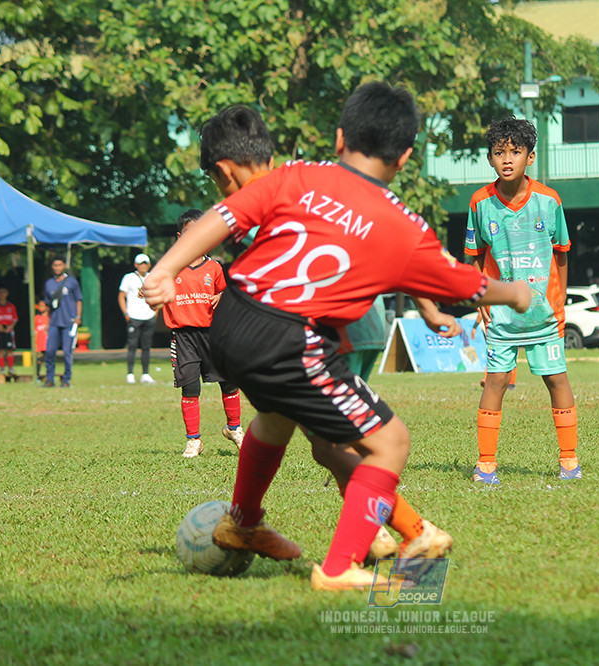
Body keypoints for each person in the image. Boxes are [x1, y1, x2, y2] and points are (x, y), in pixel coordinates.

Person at [142, 83, 531, 591]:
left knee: (276, 419)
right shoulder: (403, 225)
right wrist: (515, 292)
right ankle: (339, 565)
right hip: (291, 338)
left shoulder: (300, 175)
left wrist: (167, 269)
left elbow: (224, 215)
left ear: (340, 135)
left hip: (231, 320)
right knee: (390, 442)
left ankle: (243, 523)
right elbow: (465, 284)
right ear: (406, 155)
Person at [194, 103, 461, 567]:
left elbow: (376, 245)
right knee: (316, 436)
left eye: (217, 182)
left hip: (321, 340)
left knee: (339, 442)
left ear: (224, 171)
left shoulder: (273, 202)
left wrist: (429, 305)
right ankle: (388, 531)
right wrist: (428, 307)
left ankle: (401, 533)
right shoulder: (300, 187)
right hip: (297, 341)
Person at [464, 116, 579, 485]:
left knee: (556, 380)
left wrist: (559, 302)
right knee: (496, 382)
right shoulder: (480, 203)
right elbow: (474, 256)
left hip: (545, 316)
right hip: (501, 319)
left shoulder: (549, 201)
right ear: (490, 159)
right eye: (500, 153)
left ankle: (569, 461)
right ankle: (485, 466)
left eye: (516, 151)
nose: (507, 159)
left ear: (530, 156)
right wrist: (480, 298)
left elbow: (561, 254)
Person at [159, 210, 245, 458]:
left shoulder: (215, 267)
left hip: (214, 334)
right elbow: (154, 286)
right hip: (184, 337)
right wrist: (150, 292)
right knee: (189, 387)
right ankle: (193, 440)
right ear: (180, 236)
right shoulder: (171, 267)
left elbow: (225, 295)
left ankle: (234, 428)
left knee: (228, 382)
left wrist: (223, 296)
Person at [43, 256, 82, 388]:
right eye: (55, 265)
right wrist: (47, 322)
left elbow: (79, 299)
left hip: (69, 322)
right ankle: (49, 379)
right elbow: (48, 305)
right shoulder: (49, 283)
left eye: (59, 265)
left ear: (64, 265)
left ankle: (66, 380)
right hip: (54, 322)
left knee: (67, 352)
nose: (57, 268)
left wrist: (78, 316)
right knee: (50, 351)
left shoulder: (71, 282)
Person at [118, 253, 157, 384]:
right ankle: (130, 373)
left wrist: (156, 310)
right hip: (134, 316)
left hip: (149, 315)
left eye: (145, 263)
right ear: (136, 265)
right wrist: (126, 313)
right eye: (141, 264)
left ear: (149, 265)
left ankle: (145, 373)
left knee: (146, 346)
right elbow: (121, 296)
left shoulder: (153, 277)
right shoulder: (129, 278)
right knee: (132, 345)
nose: (143, 266)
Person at [0, 285, 18, 375]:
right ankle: (2, 368)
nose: (2, 294)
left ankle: (11, 368)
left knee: (10, 349)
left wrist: (10, 327)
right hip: (0, 329)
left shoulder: (11, 306)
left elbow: (15, 319)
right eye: (0, 292)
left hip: (9, 329)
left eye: (4, 292)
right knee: (0, 350)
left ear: (7, 293)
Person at [34, 300, 49, 380]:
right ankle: (37, 377)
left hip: (47, 344)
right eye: (40, 306)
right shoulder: (36, 318)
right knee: (39, 360)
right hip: (39, 345)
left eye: (43, 306)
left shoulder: (49, 318)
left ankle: (49, 376)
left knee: (47, 361)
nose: (41, 308)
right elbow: (34, 331)